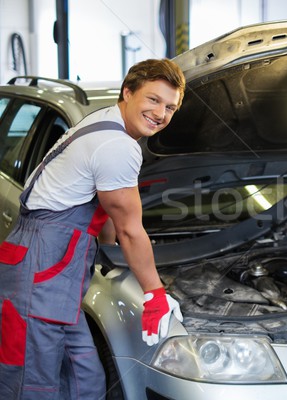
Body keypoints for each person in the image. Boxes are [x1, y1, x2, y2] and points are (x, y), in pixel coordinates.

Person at [0, 58, 186, 399]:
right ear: (127, 92)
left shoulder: (105, 121)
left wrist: (112, 249)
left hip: (55, 271)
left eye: (171, 107)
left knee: (85, 377)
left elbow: (105, 212)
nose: (161, 114)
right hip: (42, 268)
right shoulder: (117, 145)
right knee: (32, 383)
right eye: (153, 100)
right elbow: (129, 229)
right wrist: (154, 293)